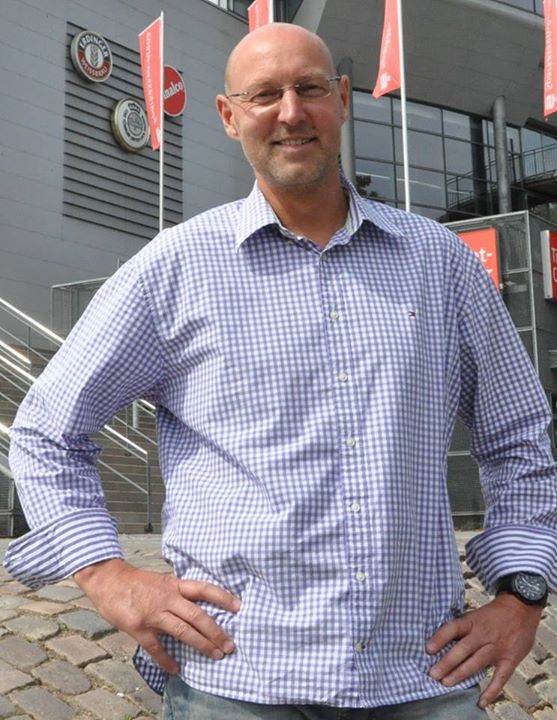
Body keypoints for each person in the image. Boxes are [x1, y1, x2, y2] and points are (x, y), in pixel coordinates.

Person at [4, 21, 557, 720]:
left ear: (343, 99)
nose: (290, 112)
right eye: (264, 95)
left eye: (309, 88)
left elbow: (518, 439)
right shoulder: (174, 269)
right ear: (228, 115)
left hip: (419, 677)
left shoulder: (441, 266)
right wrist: (106, 574)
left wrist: (522, 595)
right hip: (238, 681)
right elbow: (47, 431)